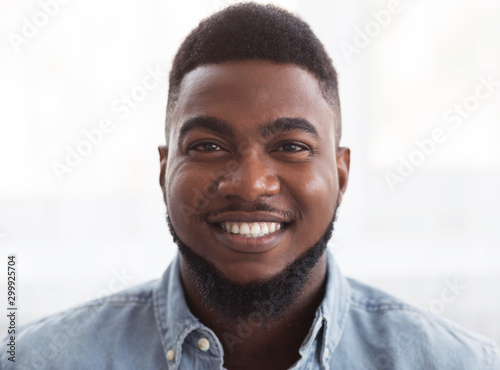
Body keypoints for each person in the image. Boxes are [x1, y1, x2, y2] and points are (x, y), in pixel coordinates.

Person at [2, 3, 499, 369]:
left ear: (341, 175)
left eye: (292, 146)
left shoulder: (460, 363)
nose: (250, 183)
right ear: (162, 170)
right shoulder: (34, 360)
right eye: (207, 147)